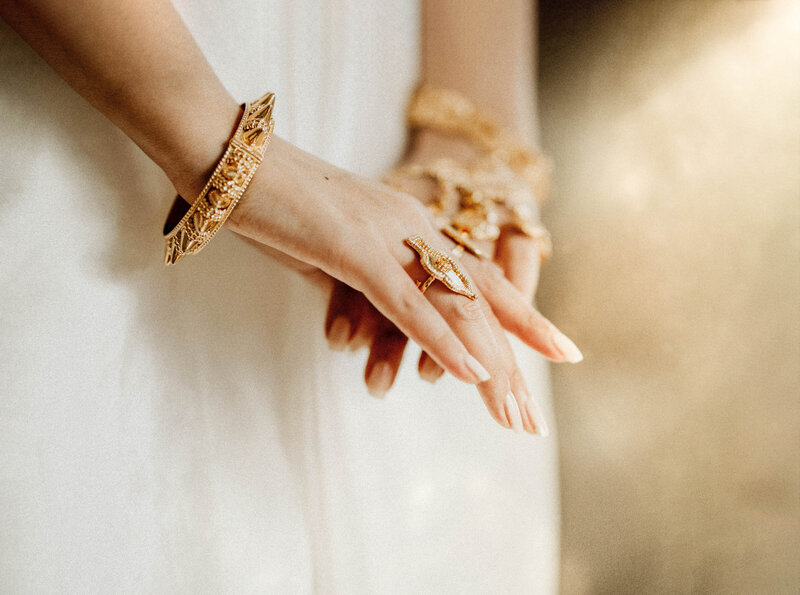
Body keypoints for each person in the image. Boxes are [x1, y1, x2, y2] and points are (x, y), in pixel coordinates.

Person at [0, 0, 581, 591]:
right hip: (96, 97)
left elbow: (476, 129)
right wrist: (225, 149)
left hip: (400, 149)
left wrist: (473, 133)